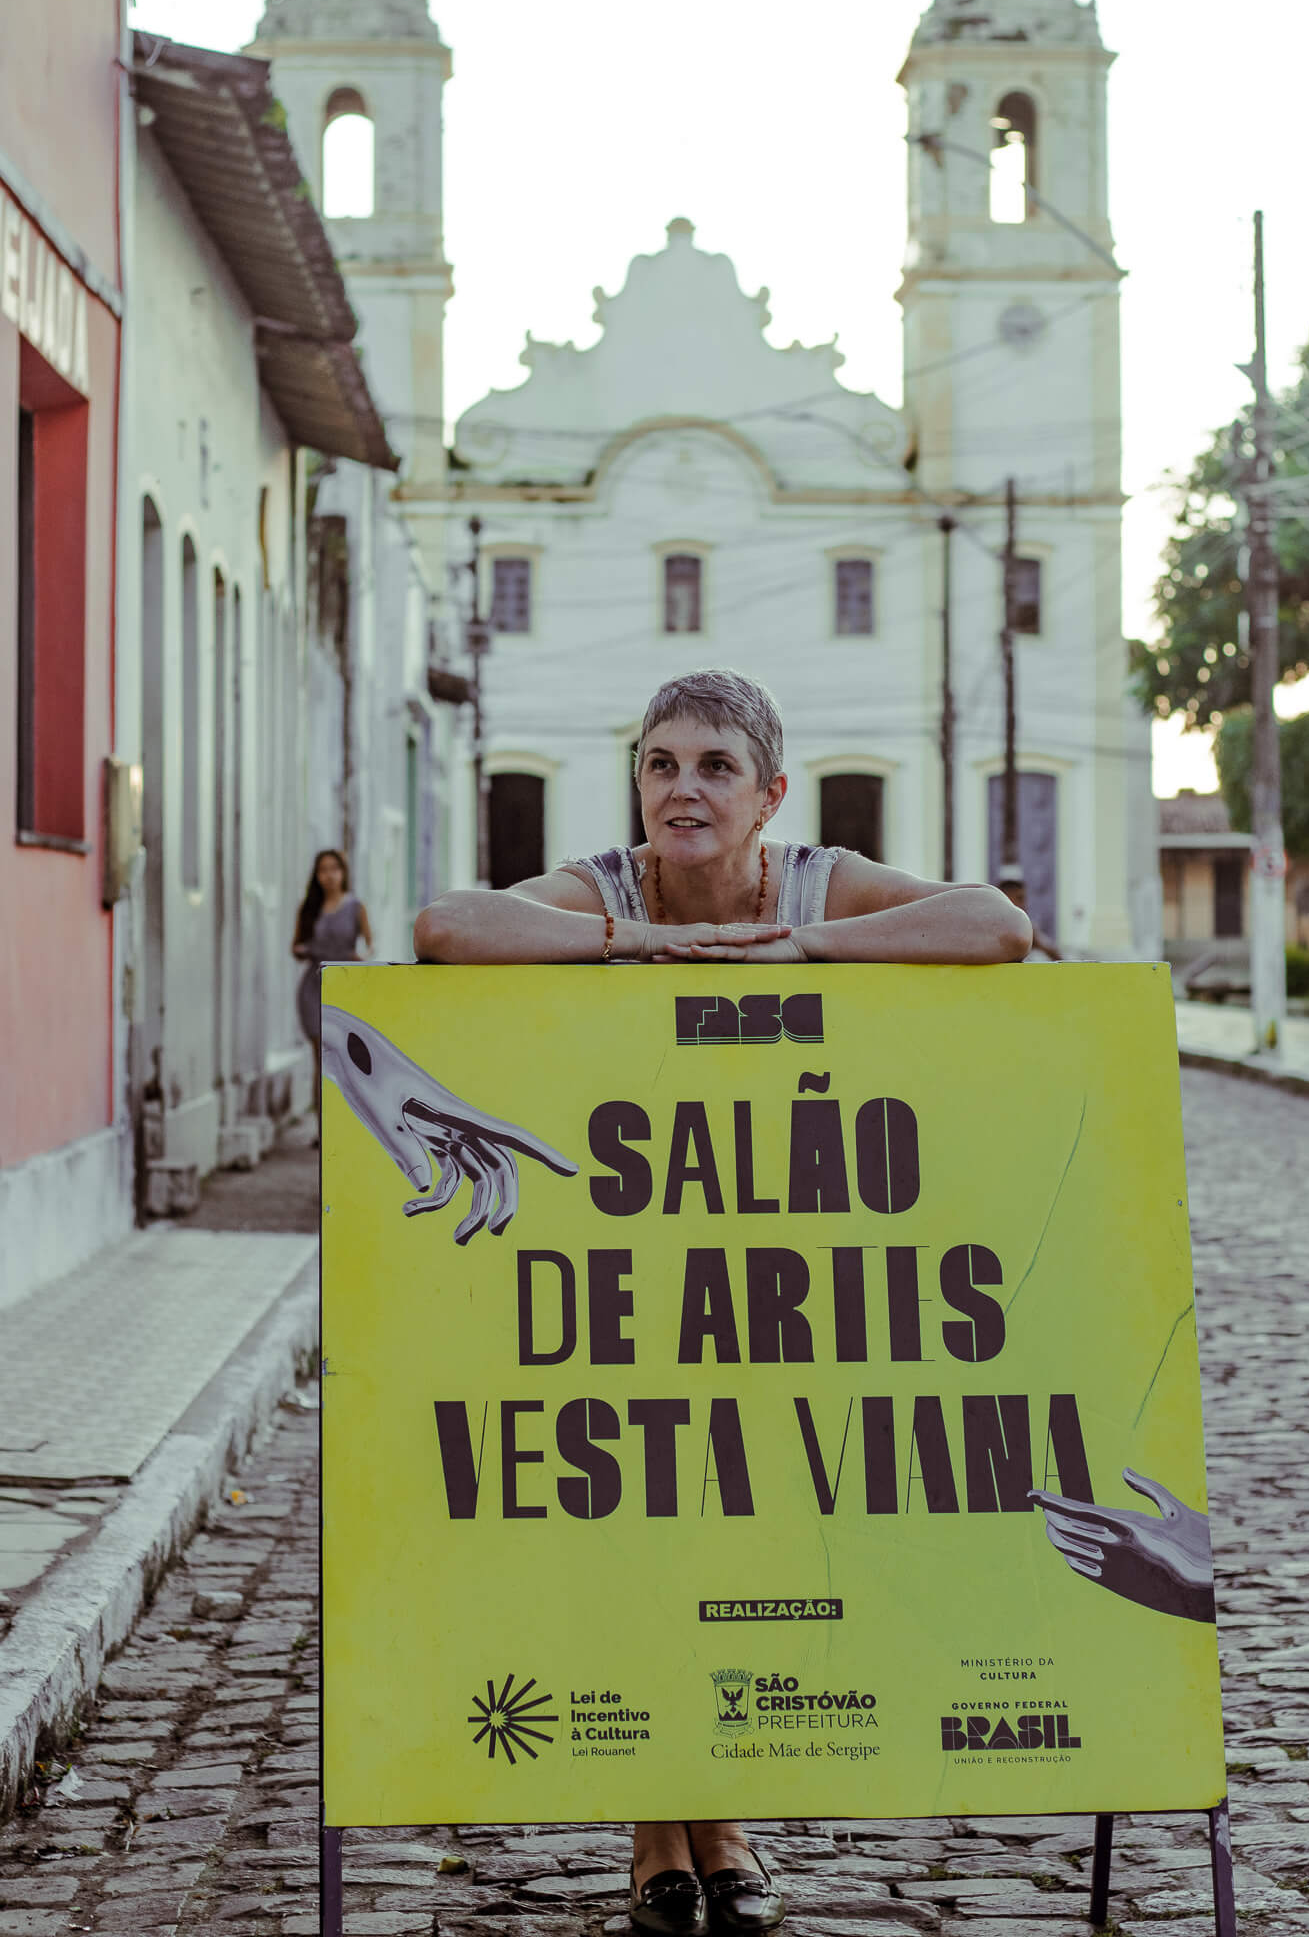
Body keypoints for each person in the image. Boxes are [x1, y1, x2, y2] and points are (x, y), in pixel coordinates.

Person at [414, 669, 1032, 1937]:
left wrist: (807, 945)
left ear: (770, 793)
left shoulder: (815, 881)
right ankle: (666, 1830)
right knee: (647, 1526)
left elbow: (997, 926)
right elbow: (447, 927)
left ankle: (726, 1818)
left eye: (713, 766)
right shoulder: (610, 885)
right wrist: (630, 942)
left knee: (747, 1531)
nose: (682, 789)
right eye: (659, 764)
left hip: (786, 1268)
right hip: (636, 1262)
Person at [293, 849, 372, 1127]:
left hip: (344, 985)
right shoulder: (309, 908)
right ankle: (321, 1127)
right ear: (317, 875)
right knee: (321, 1056)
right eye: (323, 870)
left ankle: (344, 1122)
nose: (329, 875)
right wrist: (307, 949)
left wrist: (358, 957)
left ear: (343, 872)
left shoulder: (356, 907)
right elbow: (296, 946)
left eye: (334, 869)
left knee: (345, 1057)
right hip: (314, 986)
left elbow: (369, 945)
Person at [994, 863, 1062, 962]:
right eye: (1020, 898)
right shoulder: (991, 927)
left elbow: (1054, 954)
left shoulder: (1027, 927)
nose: (1024, 904)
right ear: (1006, 897)